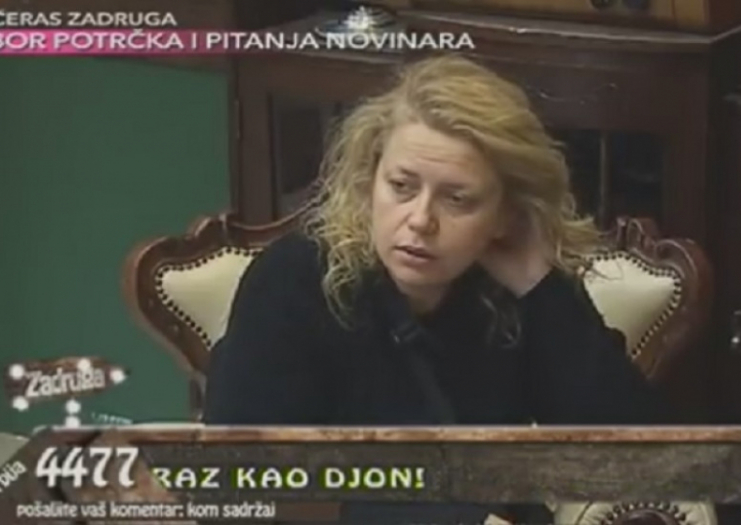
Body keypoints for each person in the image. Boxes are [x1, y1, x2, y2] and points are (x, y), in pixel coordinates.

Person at [203, 54, 670, 524]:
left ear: (507, 213)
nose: (421, 220)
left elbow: (634, 457)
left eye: (457, 199)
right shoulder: (294, 279)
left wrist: (542, 287)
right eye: (401, 186)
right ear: (370, 181)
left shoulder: (519, 292)